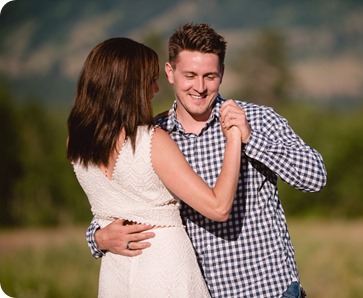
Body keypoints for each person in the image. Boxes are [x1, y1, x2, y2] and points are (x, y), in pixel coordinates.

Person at [87, 23, 327, 297]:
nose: (199, 87)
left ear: (222, 73)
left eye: (209, 76)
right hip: (201, 290)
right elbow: (124, 202)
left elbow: (315, 177)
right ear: (170, 73)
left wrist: (250, 139)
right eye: (190, 75)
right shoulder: (153, 136)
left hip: (270, 289)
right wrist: (96, 238)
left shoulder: (257, 119)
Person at [67, 37, 243, 297]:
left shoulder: (76, 143)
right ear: (129, 86)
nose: (156, 89)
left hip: (116, 270)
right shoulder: (151, 140)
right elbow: (218, 207)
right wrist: (234, 138)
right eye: (150, 80)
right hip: (165, 268)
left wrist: (98, 239)